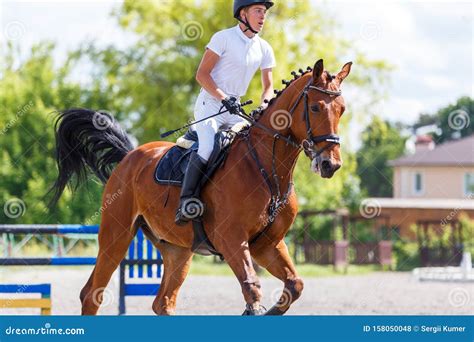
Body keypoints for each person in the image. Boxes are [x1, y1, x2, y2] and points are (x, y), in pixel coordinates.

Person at [175, 0, 276, 225]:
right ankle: (186, 202)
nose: (263, 16)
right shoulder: (223, 38)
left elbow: (268, 86)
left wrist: (264, 105)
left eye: (265, 12)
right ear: (243, 13)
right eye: (258, 11)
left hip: (235, 108)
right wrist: (223, 98)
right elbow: (202, 75)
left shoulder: (264, 48)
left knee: (252, 147)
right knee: (209, 147)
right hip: (210, 104)